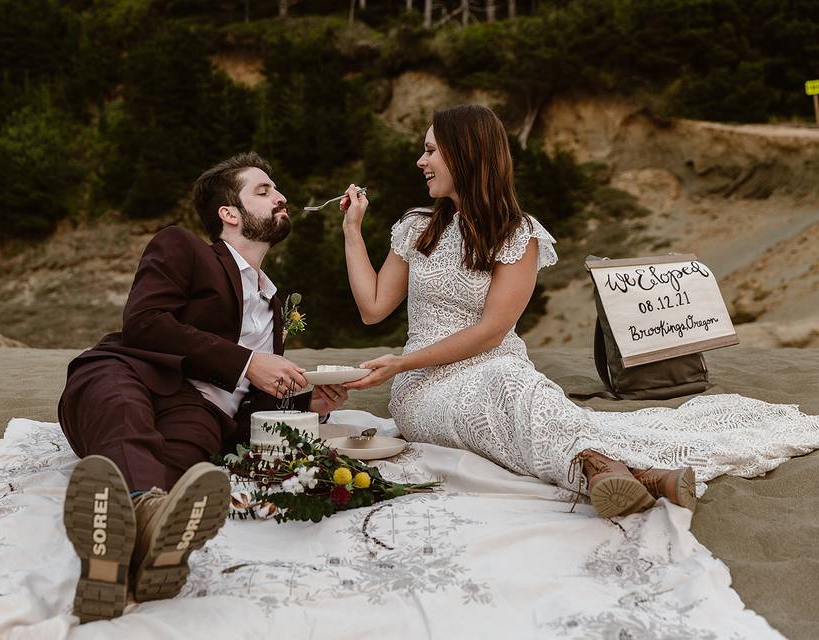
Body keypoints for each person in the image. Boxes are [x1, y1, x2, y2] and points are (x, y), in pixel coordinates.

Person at [339, 104, 819, 520]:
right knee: (514, 393)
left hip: (497, 367)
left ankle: (605, 473)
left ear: (465, 153)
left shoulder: (518, 235)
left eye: (430, 150)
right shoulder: (415, 228)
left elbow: (491, 332)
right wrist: (352, 231)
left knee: (512, 384)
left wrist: (402, 359)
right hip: (422, 388)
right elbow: (373, 308)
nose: (420, 160)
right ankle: (633, 474)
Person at [58, 152, 348, 622]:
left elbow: (249, 405)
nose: (282, 197)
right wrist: (249, 362)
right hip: (130, 372)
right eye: (264, 190)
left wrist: (307, 402)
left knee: (183, 468)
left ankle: (120, 556)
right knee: (124, 412)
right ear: (228, 214)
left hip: (203, 412)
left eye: (277, 189)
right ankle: (137, 518)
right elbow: (145, 322)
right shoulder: (184, 248)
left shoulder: (273, 306)